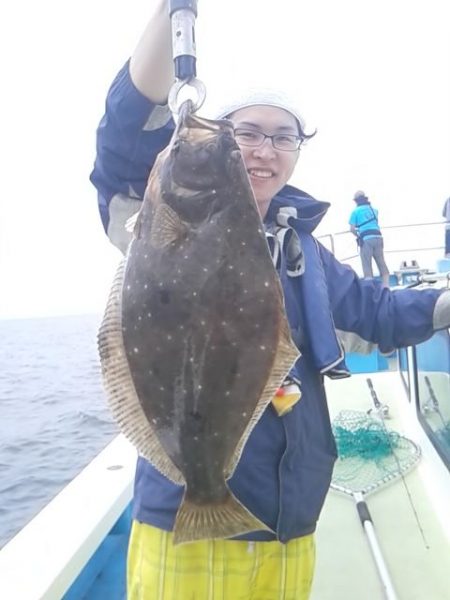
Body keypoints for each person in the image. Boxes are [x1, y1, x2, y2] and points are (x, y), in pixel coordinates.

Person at [90, 2, 450, 598]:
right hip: (188, 527)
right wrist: (171, 11)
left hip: (290, 520)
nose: (263, 149)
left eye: (282, 137)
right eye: (246, 134)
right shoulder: (146, 214)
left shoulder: (301, 249)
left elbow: (378, 312)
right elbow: (128, 122)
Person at [348, 190, 390, 287]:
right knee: (381, 262)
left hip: (366, 239)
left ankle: (370, 290)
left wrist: (358, 235)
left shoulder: (355, 212)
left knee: (367, 265)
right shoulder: (374, 210)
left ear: (356, 201)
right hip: (378, 237)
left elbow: (352, 229)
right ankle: (386, 287)